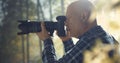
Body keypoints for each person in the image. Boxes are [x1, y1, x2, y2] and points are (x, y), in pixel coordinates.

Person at [37, 0, 119, 63]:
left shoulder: (90, 39)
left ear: (83, 16)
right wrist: (66, 41)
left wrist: (47, 41)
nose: (65, 23)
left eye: (68, 18)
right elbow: (78, 58)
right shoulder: (105, 36)